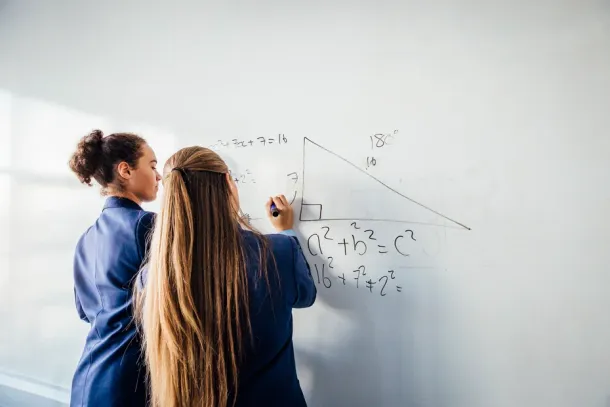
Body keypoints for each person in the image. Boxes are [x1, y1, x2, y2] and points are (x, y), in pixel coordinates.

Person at [135, 146, 316, 407]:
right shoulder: (278, 252)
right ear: (228, 184)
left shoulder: (150, 278)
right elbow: (305, 295)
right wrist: (286, 232)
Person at [67, 129, 161, 407]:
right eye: (153, 166)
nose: (158, 176)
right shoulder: (148, 225)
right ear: (125, 170)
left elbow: (84, 311)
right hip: (129, 380)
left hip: (88, 378)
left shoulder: (86, 237)